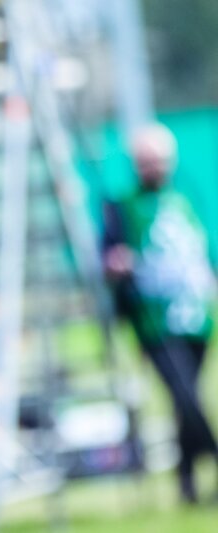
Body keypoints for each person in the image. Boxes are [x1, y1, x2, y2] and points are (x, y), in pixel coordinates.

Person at [103, 123, 218, 503]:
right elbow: (108, 254)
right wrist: (116, 263)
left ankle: (187, 486)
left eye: (159, 160)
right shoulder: (121, 205)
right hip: (153, 320)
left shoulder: (185, 198)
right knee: (184, 394)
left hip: (195, 316)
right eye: (146, 161)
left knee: (188, 399)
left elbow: (204, 250)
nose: (154, 168)